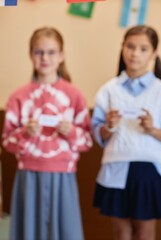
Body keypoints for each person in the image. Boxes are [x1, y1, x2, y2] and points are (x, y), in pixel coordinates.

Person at [2, 27, 93, 240]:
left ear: (61, 55)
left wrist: (71, 132)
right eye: (38, 52)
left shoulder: (74, 95)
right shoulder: (18, 97)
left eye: (51, 52)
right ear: (30, 54)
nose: (45, 58)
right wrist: (25, 133)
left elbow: (87, 141)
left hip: (64, 177)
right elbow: (7, 141)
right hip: (28, 177)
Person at [92, 25, 161, 240]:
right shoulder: (108, 90)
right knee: (121, 232)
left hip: (147, 170)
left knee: (145, 232)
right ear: (122, 48)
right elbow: (97, 133)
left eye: (143, 49)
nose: (135, 53)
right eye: (130, 47)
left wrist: (152, 129)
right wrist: (109, 126)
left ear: (154, 53)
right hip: (115, 166)